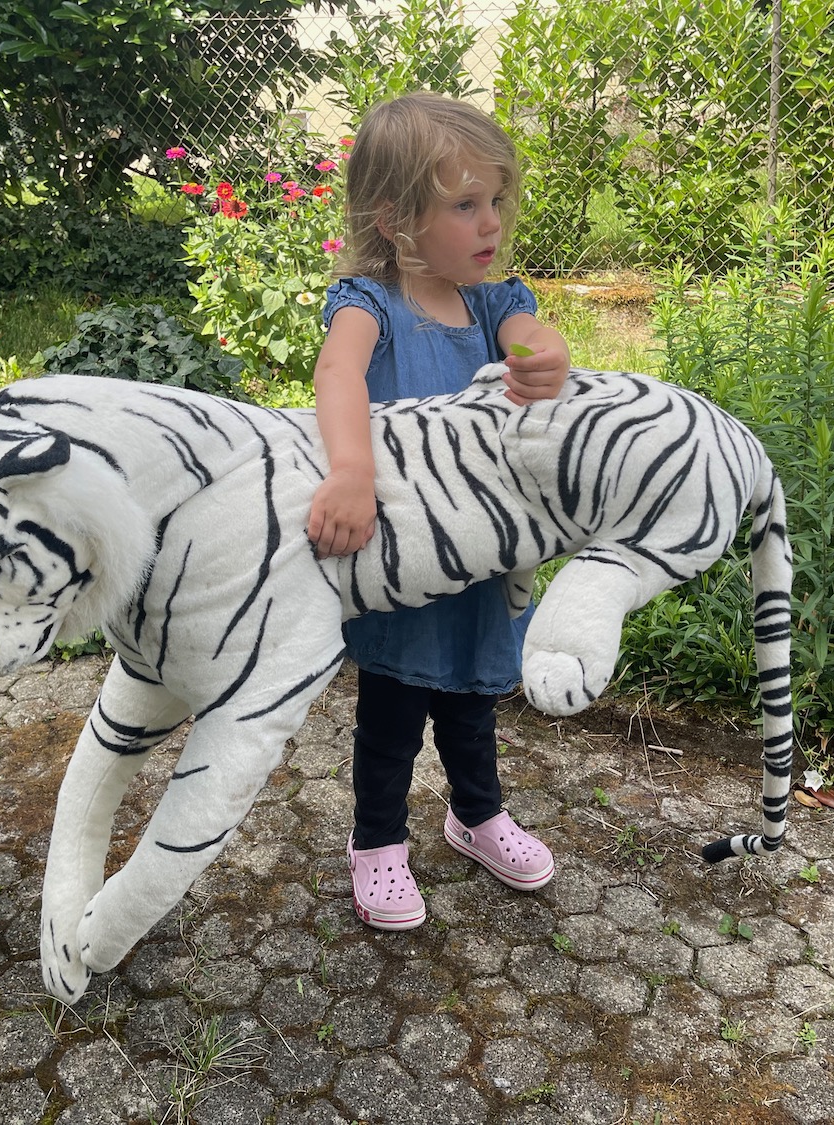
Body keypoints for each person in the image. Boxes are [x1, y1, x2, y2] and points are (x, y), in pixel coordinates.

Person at [306, 92, 572, 931]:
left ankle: (476, 813)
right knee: (390, 716)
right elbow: (338, 375)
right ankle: (377, 840)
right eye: (465, 205)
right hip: (403, 559)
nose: (490, 223)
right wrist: (351, 468)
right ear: (395, 218)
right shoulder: (369, 303)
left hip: (482, 552)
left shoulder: (496, 305)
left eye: (496, 200)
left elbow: (534, 333)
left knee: (471, 704)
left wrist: (546, 354)